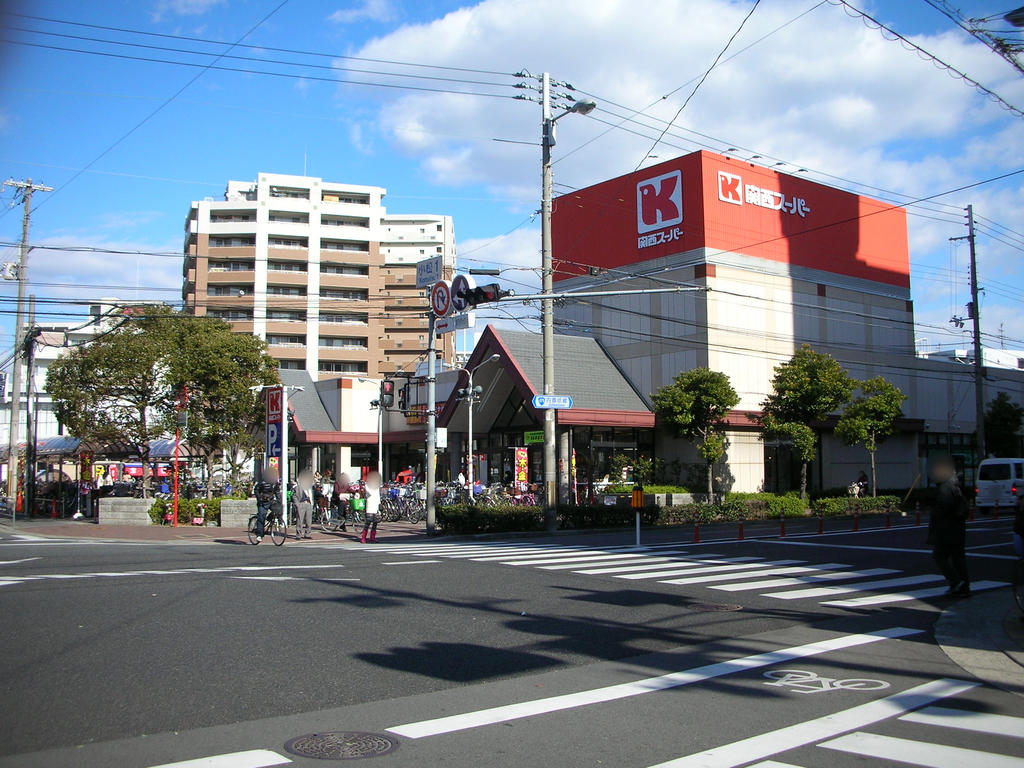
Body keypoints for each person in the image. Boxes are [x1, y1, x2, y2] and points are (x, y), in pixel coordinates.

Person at [927, 456, 970, 597]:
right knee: (958, 558)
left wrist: (933, 524)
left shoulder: (945, 488)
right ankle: (963, 587)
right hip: (957, 528)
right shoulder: (957, 485)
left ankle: (956, 582)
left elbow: (941, 511)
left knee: (939, 555)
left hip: (946, 530)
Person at [252, 467, 281, 543]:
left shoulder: (275, 483)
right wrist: (259, 498)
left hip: (270, 500)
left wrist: (279, 500)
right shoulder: (262, 482)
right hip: (263, 501)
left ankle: (270, 519)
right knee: (261, 516)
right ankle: (259, 534)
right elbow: (256, 490)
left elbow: (277, 492)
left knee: (278, 510)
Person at [361, 469, 381, 544]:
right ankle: (363, 537)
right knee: (368, 522)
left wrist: (379, 504)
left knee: (375, 522)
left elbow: (378, 495)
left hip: (376, 504)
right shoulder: (367, 485)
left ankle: (372, 537)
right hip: (370, 504)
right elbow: (369, 493)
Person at [293, 470, 314, 540]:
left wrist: (311, 503)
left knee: (309, 520)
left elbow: (312, 495)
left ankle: (308, 533)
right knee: (300, 520)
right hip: (301, 503)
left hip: (309, 504)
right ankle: (298, 534)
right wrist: (297, 504)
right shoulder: (298, 487)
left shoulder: (310, 487)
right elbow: (295, 496)